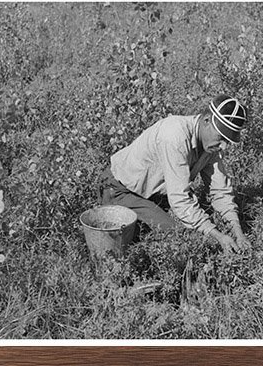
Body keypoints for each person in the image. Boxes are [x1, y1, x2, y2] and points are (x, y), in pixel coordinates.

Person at [100, 95, 251, 254]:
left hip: (151, 194)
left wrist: (238, 232)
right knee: (178, 236)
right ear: (206, 120)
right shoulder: (174, 136)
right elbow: (179, 198)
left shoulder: (211, 146)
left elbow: (220, 192)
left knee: (191, 225)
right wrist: (217, 235)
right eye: (221, 137)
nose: (224, 146)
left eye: (228, 140)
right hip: (119, 190)